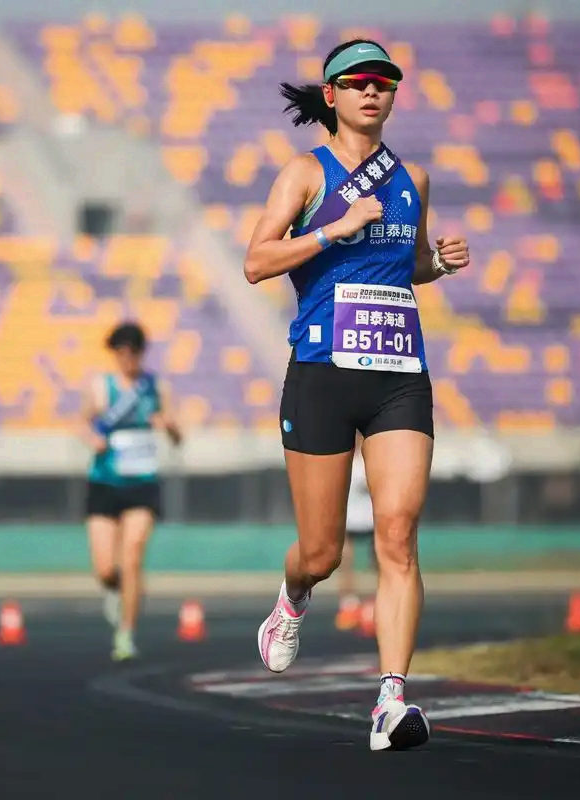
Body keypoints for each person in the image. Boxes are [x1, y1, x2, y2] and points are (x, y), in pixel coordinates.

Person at [244, 39, 470, 750]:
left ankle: (391, 701)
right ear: (332, 95)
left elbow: (408, 264)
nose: (374, 92)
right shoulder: (303, 174)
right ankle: (293, 598)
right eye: (359, 82)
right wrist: (331, 231)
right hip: (321, 371)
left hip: (399, 374)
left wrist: (437, 263)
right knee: (322, 553)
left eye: (385, 83)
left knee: (398, 536)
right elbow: (255, 261)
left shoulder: (414, 178)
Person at [81, 322, 181, 661]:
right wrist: (91, 437)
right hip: (105, 482)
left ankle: (126, 634)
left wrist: (170, 427)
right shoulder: (101, 387)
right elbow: (83, 424)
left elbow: (177, 436)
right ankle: (115, 589)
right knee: (106, 567)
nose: (127, 360)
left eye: (133, 353)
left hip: (142, 482)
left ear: (141, 353)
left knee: (133, 553)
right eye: (121, 353)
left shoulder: (155, 388)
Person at [335, 445, 375, 631]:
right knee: (345, 560)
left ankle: (380, 602)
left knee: (381, 561)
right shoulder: (342, 457)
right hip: (349, 518)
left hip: (372, 518)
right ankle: (348, 604)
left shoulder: (373, 457)